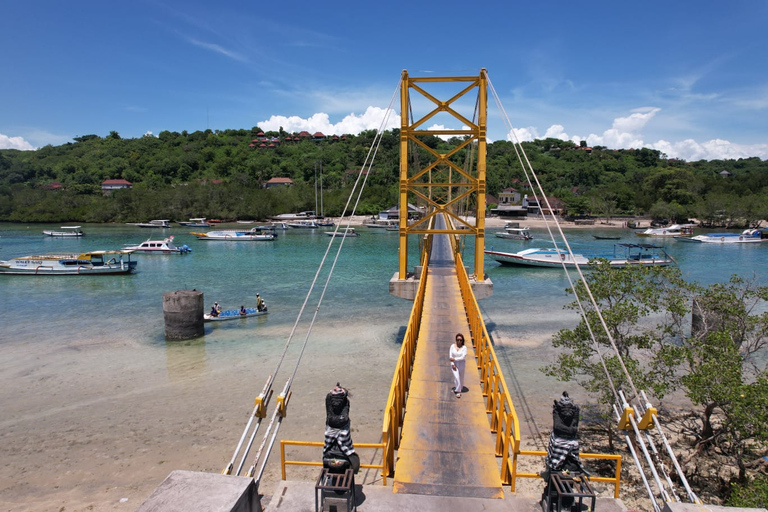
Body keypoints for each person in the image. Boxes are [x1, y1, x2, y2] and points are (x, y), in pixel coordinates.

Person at [323, 383, 359, 474]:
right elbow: (346, 411)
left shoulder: (328, 397)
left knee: (326, 446)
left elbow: (328, 412)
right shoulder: (346, 400)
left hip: (331, 426)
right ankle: (354, 467)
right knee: (348, 446)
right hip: (343, 425)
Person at [449, 333, 467, 398]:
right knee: (457, 377)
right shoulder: (452, 346)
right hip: (454, 364)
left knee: (461, 377)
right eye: (458, 340)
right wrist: (452, 364)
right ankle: (458, 392)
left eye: (460, 340)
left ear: (462, 341)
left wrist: (455, 359)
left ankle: (458, 387)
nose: (459, 341)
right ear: (456, 340)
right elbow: (450, 356)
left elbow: (463, 357)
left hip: (461, 364)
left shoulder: (464, 348)